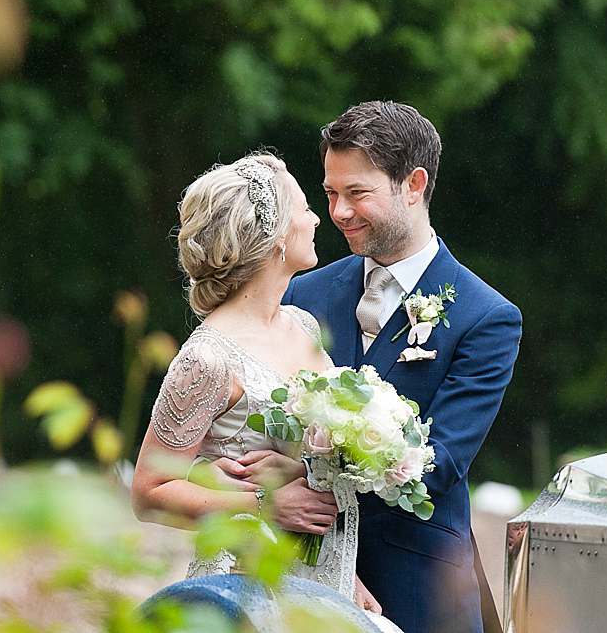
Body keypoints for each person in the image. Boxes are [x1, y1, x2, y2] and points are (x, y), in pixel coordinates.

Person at [130, 152, 404, 633]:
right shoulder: (208, 358)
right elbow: (149, 492)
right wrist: (263, 504)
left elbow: (309, 469)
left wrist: (345, 572)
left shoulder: (301, 327)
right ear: (276, 235)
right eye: (304, 207)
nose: (318, 217)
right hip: (243, 591)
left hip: (323, 583)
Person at [282, 101, 523, 633]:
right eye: (330, 194)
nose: (338, 212)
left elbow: (439, 465)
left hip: (417, 589)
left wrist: (306, 474)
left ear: (413, 185)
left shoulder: (486, 318)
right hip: (299, 578)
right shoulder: (305, 292)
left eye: (357, 193)